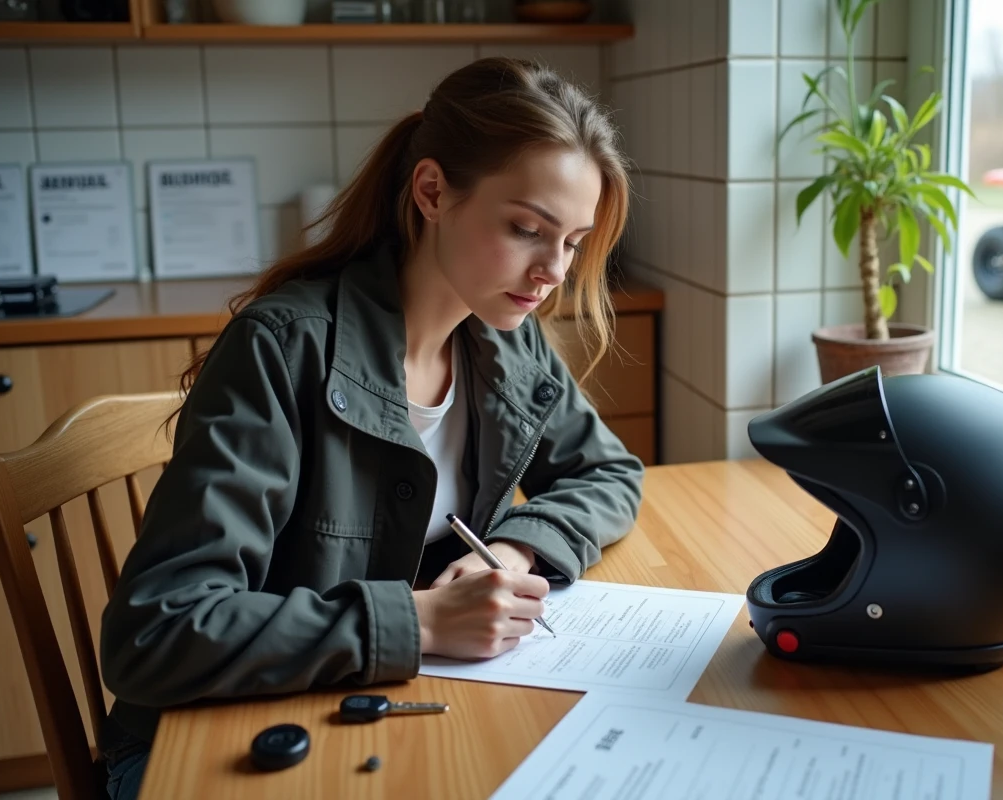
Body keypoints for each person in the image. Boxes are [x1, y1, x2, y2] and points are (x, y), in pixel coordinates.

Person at [96, 56, 644, 799]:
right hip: (214, 745)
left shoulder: (507, 339)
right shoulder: (282, 349)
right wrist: (420, 622)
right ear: (432, 192)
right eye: (526, 229)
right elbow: (158, 633)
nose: (554, 270)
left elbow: (608, 472)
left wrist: (517, 549)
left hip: (368, 713)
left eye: (573, 241)